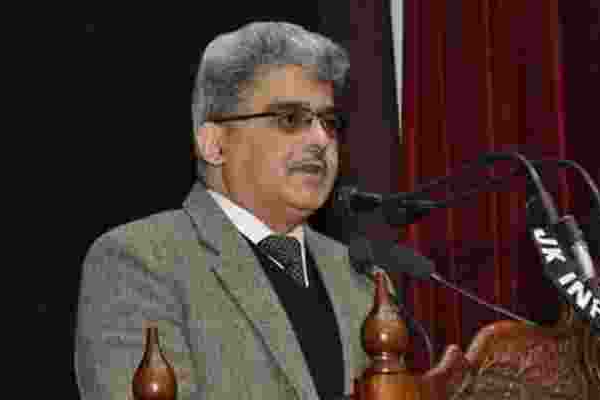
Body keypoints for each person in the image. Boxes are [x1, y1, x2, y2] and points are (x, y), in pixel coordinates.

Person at [74, 21, 377, 400]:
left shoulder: (360, 275)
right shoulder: (141, 261)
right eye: (290, 119)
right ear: (214, 144)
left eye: (329, 122)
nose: (320, 139)